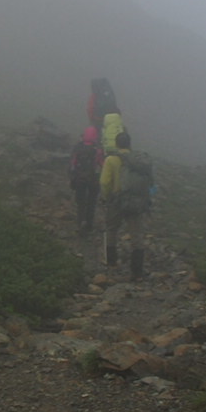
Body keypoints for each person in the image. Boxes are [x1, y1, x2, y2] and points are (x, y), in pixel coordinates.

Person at [100, 131, 155, 280]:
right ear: (129, 144)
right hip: (136, 201)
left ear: (117, 144)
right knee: (136, 235)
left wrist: (106, 197)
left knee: (111, 229)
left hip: (116, 200)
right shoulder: (139, 162)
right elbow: (152, 183)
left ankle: (111, 263)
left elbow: (105, 182)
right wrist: (147, 198)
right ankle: (137, 271)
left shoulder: (111, 159)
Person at [68, 125, 103, 239]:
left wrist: (72, 177)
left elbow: (72, 164)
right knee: (91, 203)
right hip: (93, 180)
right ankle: (89, 225)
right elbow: (102, 165)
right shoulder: (97, 150)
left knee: (81, 202)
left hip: (80, 179)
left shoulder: (77, 148)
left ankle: (80, 222)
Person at [87, 77, 126, 152]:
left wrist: (92, 119)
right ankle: (117, 152)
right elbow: (115, 106)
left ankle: (100, 153)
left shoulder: (94, 96)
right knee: (113, 136)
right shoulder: (109, 93)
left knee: (100, 139)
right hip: (112, 120)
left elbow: (90, 109)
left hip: (98, 120)